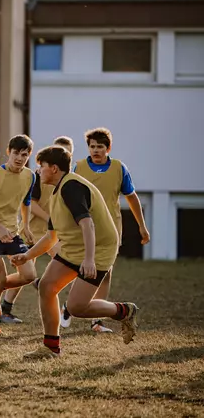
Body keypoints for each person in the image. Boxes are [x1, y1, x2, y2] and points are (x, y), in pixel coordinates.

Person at [11, 145, 139, 359]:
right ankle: (51, 348)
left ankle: (125, 311)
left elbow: (87, 224)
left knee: (77, 307)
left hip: (98, 250)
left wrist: (89, 260)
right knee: (47, 286)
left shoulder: (72, 186)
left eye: (40, 166)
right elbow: (51, 236)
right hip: (76, 247)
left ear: (53, 168)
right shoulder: (57, 192)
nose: (38, 170)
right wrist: (27, 256)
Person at [62, 127, 150, 333]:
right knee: (75, 268)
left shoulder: (119, 169)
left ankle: (97, 321)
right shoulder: (79, 168)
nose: (95, 150)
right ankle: (70, 305)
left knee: (104, 275)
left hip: (110, 230)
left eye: (100, 146)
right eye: (92, 146)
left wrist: (142, 226)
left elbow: (132, 198)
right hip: (83, 228)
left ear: (108, 148)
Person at [0, 136, 75, 323]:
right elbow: (30, 205)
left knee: (69, 264)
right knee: (24, 273)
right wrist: (51, 219)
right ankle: (5, 308)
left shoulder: (69, 179)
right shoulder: (38, 176)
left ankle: (67, 303)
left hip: (54, 234)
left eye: (66, 151)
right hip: (32, 231)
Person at [0, 135, 37, 337]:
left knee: (29, 275)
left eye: (25, 155)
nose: (20, 158)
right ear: (8, 152)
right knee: (0, 278)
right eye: (16, 153)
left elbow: (26, 202)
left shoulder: (30, 176)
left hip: (13, 232)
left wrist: (26, 226)